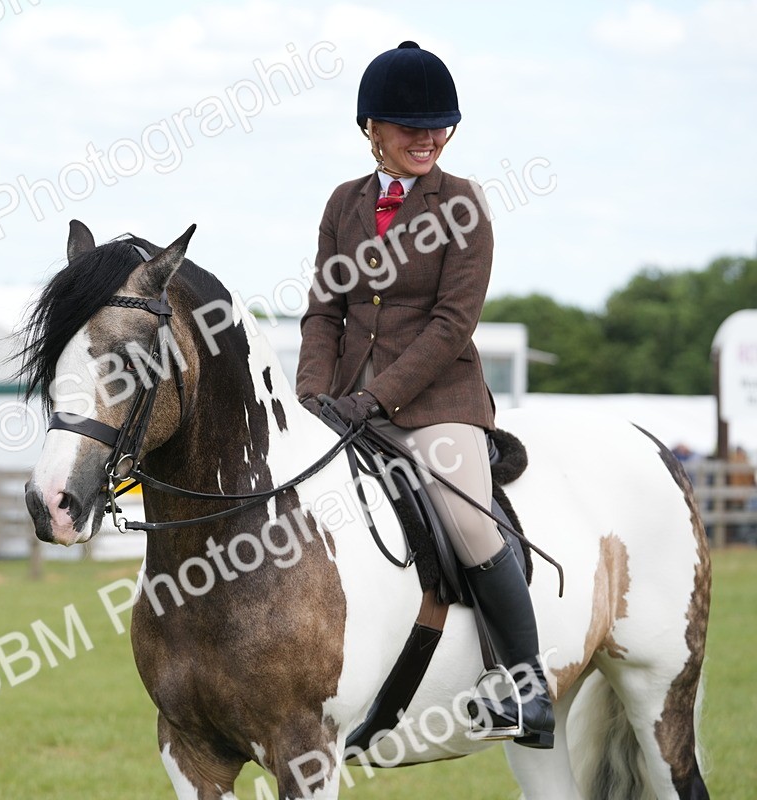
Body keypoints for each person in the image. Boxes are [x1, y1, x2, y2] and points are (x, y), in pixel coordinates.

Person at [295, 41, 553, 748]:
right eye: (410, 126)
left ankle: (526, 686)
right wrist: (312, 396)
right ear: (371, 128)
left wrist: (373, 399)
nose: (427, 138)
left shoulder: (462, 203)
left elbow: (451, 325)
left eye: (439, 125)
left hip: (438, 404)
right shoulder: (343, 205)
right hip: (343, 403)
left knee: (469, 525)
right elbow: (324, 312)